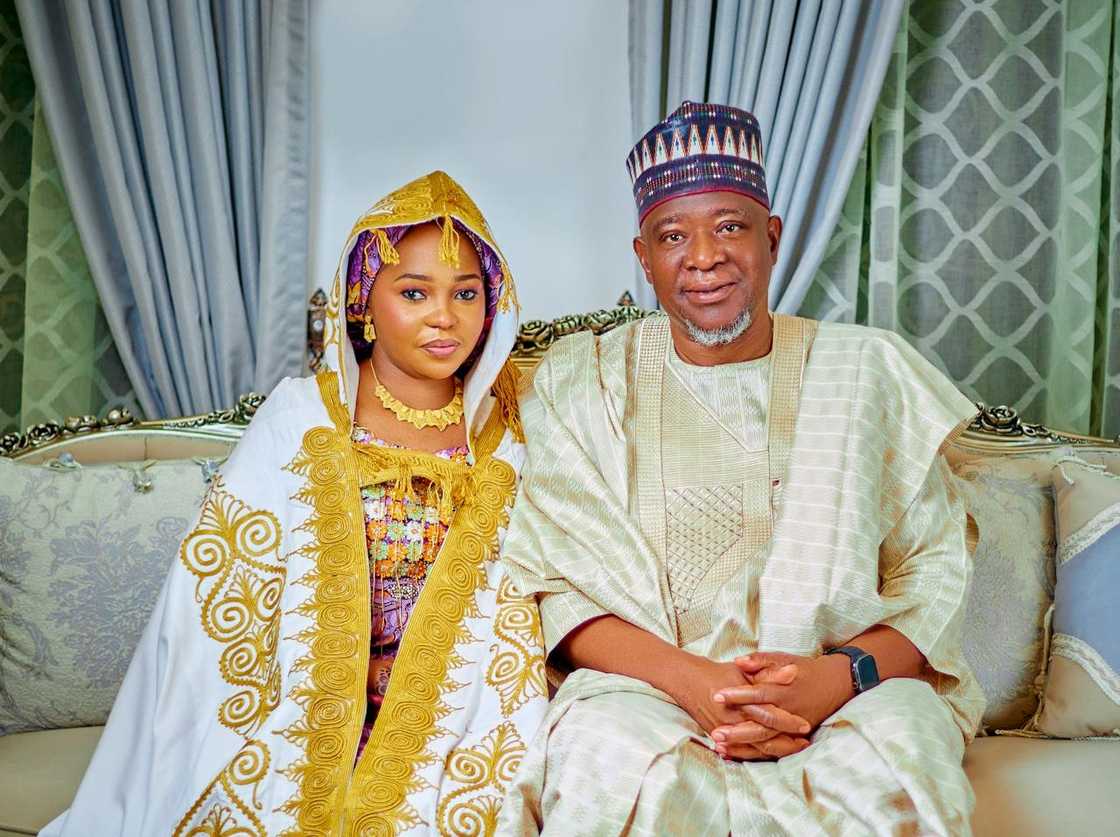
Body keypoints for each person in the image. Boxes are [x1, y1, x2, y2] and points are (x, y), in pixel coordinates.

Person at [496, 102, 985, 835]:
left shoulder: (865, 371)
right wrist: (695, 682)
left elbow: (933, 574)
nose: (703, 257)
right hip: (651, 688)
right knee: (600, 758)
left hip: (844, 688)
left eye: (729, 226)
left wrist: (831, 680)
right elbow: (556, 588)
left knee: (903, 752)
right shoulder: (584, 384)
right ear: (643, 255)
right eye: (673, 236)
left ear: (773, 237)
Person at [42, 171, 548, 836]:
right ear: (363, 301)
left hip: (457, 695)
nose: (444, 316)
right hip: (305, 682)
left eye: (466, 293)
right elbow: (226, 585)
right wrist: (343, 667)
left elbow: (521, 588)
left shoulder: (508, 431)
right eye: (414, 291)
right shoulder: (301, 416)